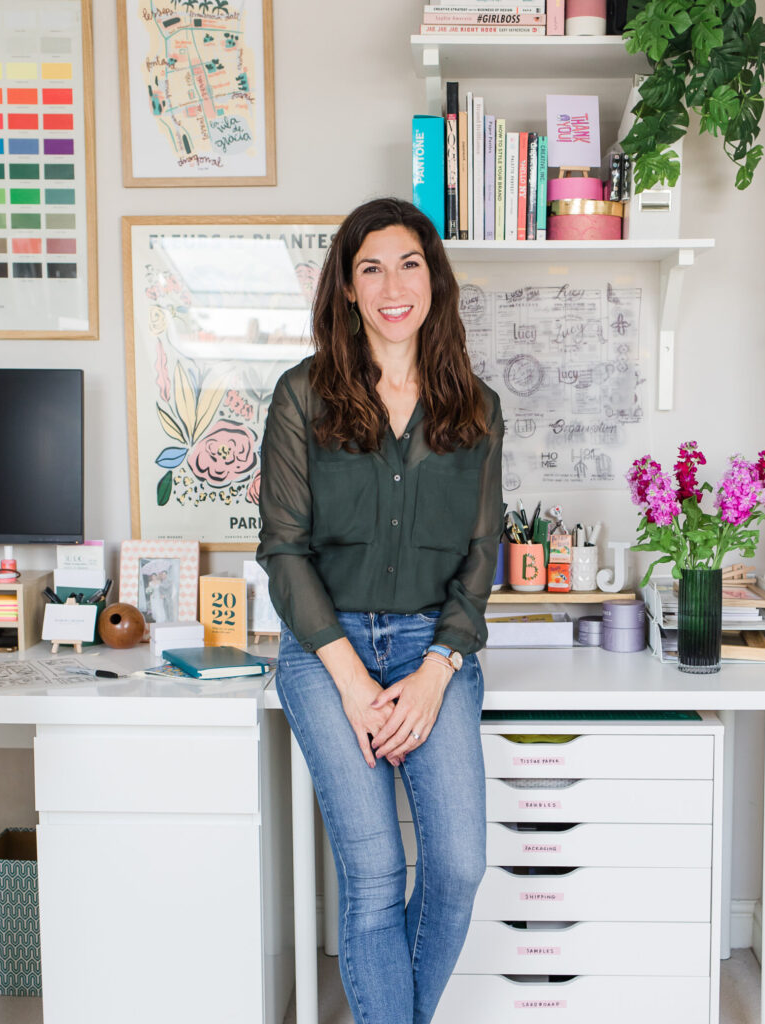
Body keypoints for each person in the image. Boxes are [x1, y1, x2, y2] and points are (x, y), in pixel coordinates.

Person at [257, 197, 504, 1024]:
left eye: (408, 263)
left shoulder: (475, 406)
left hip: (435, 653)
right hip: (326, 653)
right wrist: (355, 683)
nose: (392, 285)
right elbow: (283, 550)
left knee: (459, 867)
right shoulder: (301, 396)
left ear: (432, 277)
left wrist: (437, 669)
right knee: (370, 875)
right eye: (371, 268)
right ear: (347, 287)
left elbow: (480, 555)